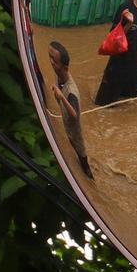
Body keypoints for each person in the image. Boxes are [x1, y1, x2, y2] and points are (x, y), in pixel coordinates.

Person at [48, 41, 92, 179]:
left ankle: (90, 178)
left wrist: (62, 98)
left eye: (54, 60)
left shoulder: (71, 92)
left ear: (64, 67)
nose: (50, 62)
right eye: (49, 57)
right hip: (68, 129)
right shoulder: (59, 74)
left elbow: (74, 115)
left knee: (82, 158)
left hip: (74, 132)